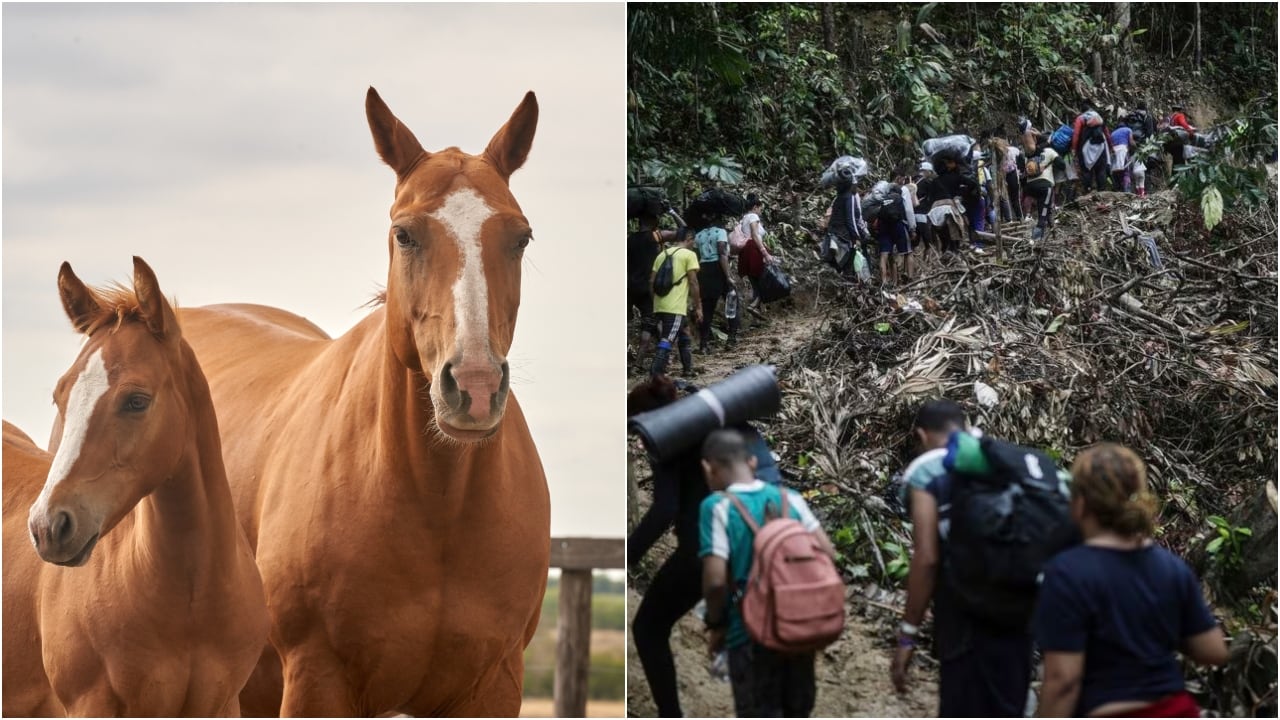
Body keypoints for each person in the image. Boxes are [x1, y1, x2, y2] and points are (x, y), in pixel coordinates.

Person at [1035, 443, 1229, 718]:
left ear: (1079, 504)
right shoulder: (1171, 567)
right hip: (1177, 710)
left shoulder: (1067, 573)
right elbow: (1213, 650)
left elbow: (1064, 680)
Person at [628, 380, 781, 718]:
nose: (639, 441)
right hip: (758, 541)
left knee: (648, 629)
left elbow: (664, 509)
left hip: (704, 549)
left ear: (643, 420)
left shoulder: (664, 437)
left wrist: (626, 558)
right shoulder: (709, 422)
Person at [890, 399, 1035, 717]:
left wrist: (907, 637)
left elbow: (927, 558)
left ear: (922, 435)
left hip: (963, 614)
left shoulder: (926, 471)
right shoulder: (1003, 458)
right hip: (1020, 606)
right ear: (967, 427)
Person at [699, 428, 834, 718]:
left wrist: (717, 624)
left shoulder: (717, 507)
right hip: (796, 629)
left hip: (748, 634)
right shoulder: (791, 499)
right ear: (752, 462)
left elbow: (714, 582)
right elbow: (828, 554)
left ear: (708, 468)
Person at [629, 214, 680, 372]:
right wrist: (672, 212)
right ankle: (638, 364)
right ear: (652, 220)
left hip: (629, 287)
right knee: (649, 323)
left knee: (648, 322)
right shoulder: (656, 236)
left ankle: (664, 356)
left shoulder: (629, 239)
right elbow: (684, 231)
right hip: (648, 287)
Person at [650, 228, 701, 378]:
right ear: (689, 238)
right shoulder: (689, 255)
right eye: (693, 241)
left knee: (684, 334)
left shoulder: (661, 255)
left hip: (660, 305)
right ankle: (655, 374)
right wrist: (698, 306)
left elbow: (651, 281)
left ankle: (688, 369)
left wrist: (655, 300)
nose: (694, 244)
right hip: (675, 307)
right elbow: (693, 282)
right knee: (668, 340)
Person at [693, 216, 738, 353]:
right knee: (731, 303)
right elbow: (722, 253)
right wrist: (728, 276)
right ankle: (731, 339)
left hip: (703, 270)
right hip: (718, 268)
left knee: (707, 309)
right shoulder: (720, 232)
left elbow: (696, 255)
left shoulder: (698, 235)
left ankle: (703, 344)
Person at [824, 170, 870, 277]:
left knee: (835, 266)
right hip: (843, 236)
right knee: (847, 266)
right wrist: (857, 236)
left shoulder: (839, 197)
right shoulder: (850, 197)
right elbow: (851, 220)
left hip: (833, 233)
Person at [870, 180, 915, 283]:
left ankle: (884, 281)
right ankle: (910, 277)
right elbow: (906, 212)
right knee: (908, 252)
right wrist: (912, 229)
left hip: (884, 227)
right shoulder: (899, 198)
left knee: (884, 254)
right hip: (898, 225)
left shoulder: (882, 199)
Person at [735, 194, 773, 310]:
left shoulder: (744, 218)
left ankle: (757, 315)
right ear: (755, 207)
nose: (761, 211)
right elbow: (755, 235)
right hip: (753, 250)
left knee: (755, 283)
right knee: (764, 280)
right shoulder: (753, 217)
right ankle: (753, 306)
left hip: (746, 251)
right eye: (760, 208)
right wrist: (765, 253)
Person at [1026, 141, 1059, 241]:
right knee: (1043, 214)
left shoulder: (1030, 155)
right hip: (1045, 186)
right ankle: (1035, 239)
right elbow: (1061, 164)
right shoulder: (1049, 151)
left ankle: (1053, 235)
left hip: (1030, 186)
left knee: (1046, 209)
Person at [1110, 118, 1134, 192]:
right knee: (1126, 171)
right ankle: (1127, 190)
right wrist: (1136, 147)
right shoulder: (1128, 130)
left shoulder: (1112, 133)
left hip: (1114, 152)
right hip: (1123, 150)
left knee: (1116, 171)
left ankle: (1117, 190)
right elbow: (1131, 142)